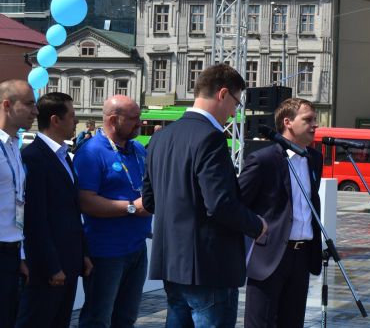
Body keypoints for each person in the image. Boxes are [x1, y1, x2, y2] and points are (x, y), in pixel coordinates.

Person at [142, 64, 267, 328]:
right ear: (222, 94)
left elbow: (150, 200)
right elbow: (220, 203)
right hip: (208, 266)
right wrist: (257, 225)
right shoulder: (210, 138)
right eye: (236, 103)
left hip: (171, 263)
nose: (234, 112)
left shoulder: (160, 138)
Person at [239, 97, 323, 328]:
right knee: (261, 323)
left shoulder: (314, 159)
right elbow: (237, 204)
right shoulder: (263, 160)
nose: (314, 125)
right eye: (308, 120)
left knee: (292, 322)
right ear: (287, 122)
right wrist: (256, 230)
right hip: (270, 256)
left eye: (315, 120)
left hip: (302, 255)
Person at [16, 92, 93, 327]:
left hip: (68, 261)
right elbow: (36, 218)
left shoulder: (63, 156)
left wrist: (83, 253)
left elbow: (71, 210)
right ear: (55, 120)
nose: (77, 121)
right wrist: (52, 266)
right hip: (48, 268)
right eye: (72, 115)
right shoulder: (33, 157)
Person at [75, 95, 152, 328]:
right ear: (112, 120)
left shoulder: (137, 149)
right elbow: (85, 201)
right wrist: (131, 208)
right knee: (98, 318)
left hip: (137, 248)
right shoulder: (91, 152)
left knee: (126, 317)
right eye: (133, 119)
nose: (140, 123)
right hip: (106, 251)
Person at [0, 79, 37, 327]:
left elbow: (17, 202)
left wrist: (21, 254)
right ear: (7, 105)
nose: (36, 111)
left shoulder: (15, 146)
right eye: (29, 104)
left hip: (13, 251)